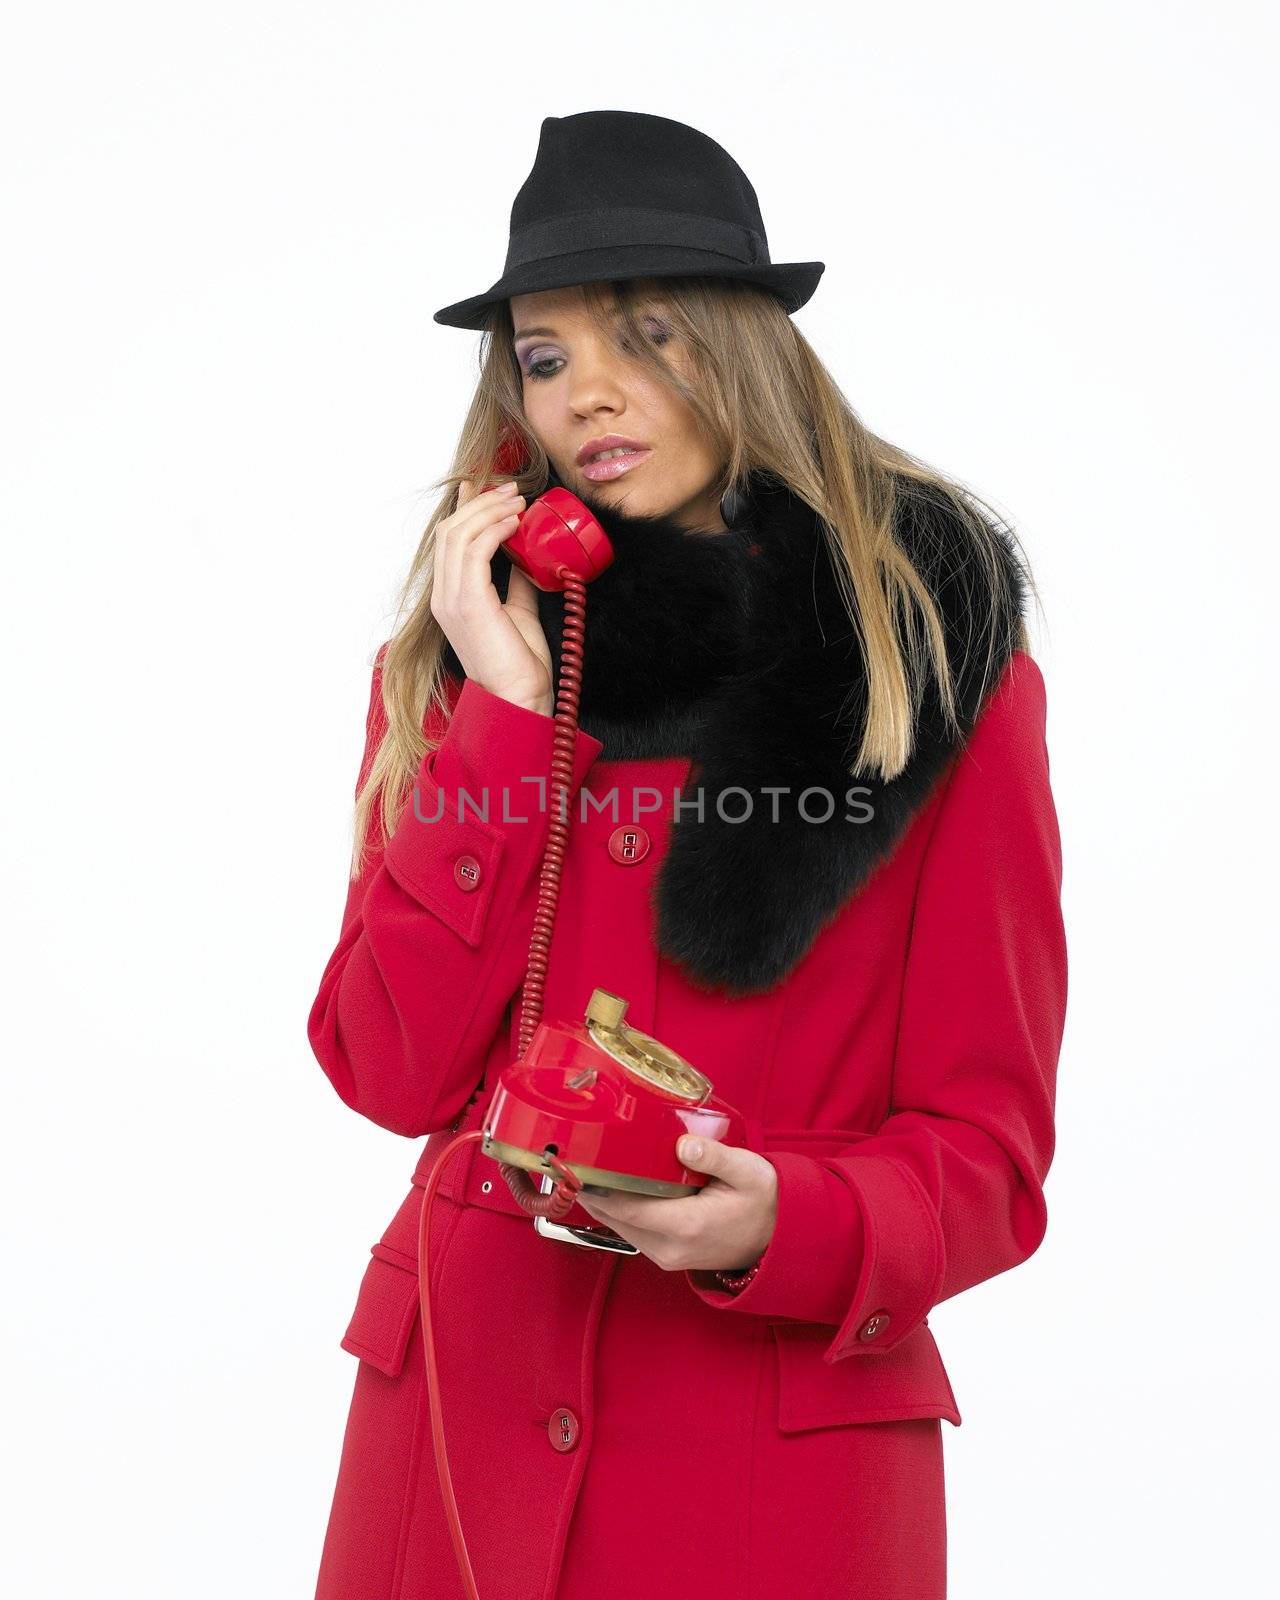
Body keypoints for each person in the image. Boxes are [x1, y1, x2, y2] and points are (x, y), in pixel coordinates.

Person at [307, 110, 1068, 1600]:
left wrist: (791, 1218)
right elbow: (384, 1070)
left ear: (742, 344)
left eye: (644, 334)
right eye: (543, 355)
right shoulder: (465, 670)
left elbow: (991, 1155)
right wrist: (512, 721)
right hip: (452, 1446)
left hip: (766, 1475)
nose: (588, 391)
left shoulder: (928, 661)